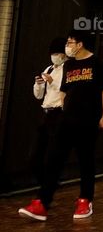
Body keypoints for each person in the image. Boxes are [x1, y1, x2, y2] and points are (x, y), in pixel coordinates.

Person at [20, 28, 103, 223]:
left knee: (86, 161)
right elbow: (64, 90)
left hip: (88, 120)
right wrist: (62, 106)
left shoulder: (97, 63)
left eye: (70, 42)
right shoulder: (69, 66)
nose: (68, 46)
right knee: (53, 159)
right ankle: (42, 202)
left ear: (80, 44)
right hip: (66, 120)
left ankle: (85, 199)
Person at [30, 37, 67, 185]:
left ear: (64, 54)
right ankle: (44, 182)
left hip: (58, 114)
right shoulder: (49, 68)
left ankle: (49, 184)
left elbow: (67, 90)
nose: (55, 57)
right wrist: (38, 84)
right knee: (35, 153)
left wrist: (53, 82)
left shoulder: (68, 69)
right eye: (53, 54)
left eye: (57, 53)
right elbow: (38, 95)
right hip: (45, 113)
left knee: (53, 153)